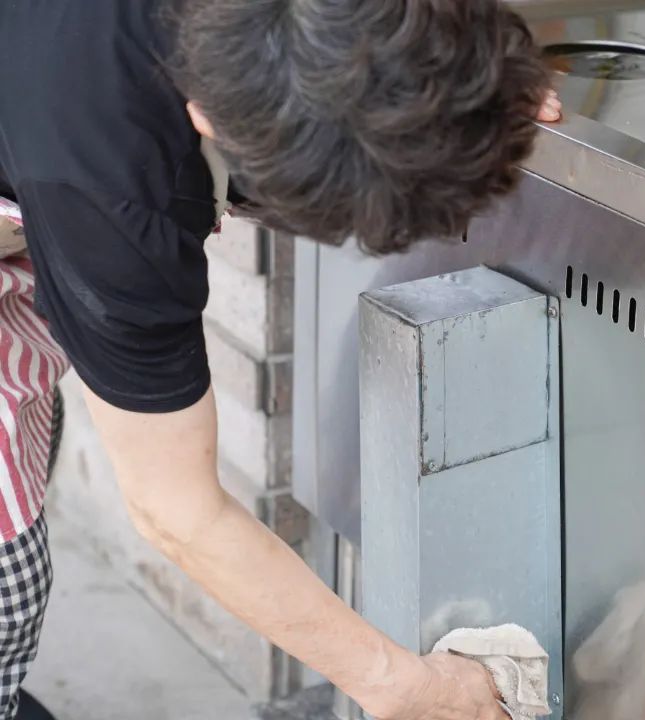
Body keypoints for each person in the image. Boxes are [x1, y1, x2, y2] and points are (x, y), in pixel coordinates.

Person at [0, 1, 561, 718]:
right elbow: (175, 509)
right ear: (206, 119)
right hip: (54, 149)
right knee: (9, 582)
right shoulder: (113, 198)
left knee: (31, 440)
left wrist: (471, 77)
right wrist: (405, 688)